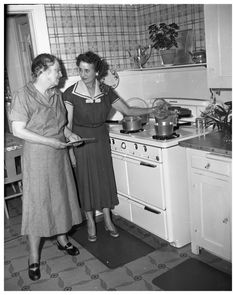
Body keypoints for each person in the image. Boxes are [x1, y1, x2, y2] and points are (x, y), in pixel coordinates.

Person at [63, 51, 169, 242]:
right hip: (81, 142)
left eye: (87, 70)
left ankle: (108, 220)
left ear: (96, 71)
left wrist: (151, 110)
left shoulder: (106, 90)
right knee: (85, 182)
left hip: (101, 138)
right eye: (80, 69)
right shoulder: (70, 93)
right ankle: (90, 222)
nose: (83, 74)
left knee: (104, 179)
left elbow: (127, 110)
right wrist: (71, 149)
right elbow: (66, 126)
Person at [9, 53, 83, 281]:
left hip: (58, 155)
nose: (61, 74)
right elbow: (17, 130)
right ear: (42, 71)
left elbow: (61, 125)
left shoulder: (56, 94)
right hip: (39, 156)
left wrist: (70, 135)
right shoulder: (24, 95)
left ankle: (62, 239)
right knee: (38, 205)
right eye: (57, 70)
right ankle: (33, 257)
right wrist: (51, 141)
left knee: (61, 199)